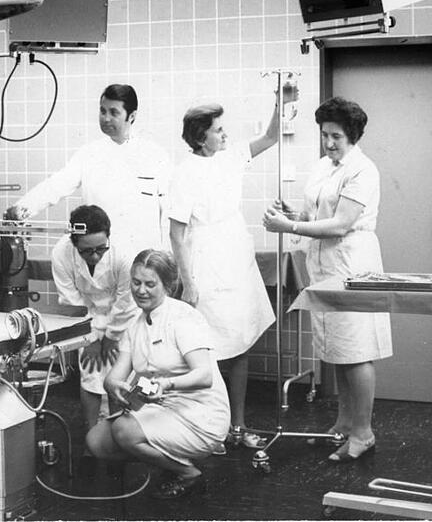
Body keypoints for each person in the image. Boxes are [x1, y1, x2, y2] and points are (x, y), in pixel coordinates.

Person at [262, 96, 392, 462]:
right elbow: (314, 211)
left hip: (352, 263)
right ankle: (344, 423)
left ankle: (363, 432)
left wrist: (289, 227)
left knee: (356, 349)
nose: (329, 143)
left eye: (336, 136)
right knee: (337, 349)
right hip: (324, 265)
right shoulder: (323, 166)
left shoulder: (363, 170)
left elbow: (341, 223)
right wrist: (292, 213)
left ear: (353, 136)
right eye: (325, 135)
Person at [169, 92, 289, 450]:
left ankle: (237, 426)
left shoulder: (230, 157)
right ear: (199, 136)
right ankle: (207, 427)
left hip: (236, 259)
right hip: (205, 263)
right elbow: (176, 233)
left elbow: (270, 137)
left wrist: (280, 102)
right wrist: (188, 283)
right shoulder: (185, 172)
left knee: (240, 343)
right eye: (218, 130)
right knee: (206, 350)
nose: (225, 135)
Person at [85, 249, 229, 499]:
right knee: (97, 441)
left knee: (124, 430)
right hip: (161, 408)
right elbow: (115, 375)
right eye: (136, 282)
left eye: (150, 284)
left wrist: (167, 384)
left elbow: (204, 376)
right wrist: (113, 386)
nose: (141, 291)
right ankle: (167, 462)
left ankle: (188, 473)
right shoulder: (135, 325)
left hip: (200, 412)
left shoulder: (184, 318)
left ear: (168, 286)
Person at [6, 84, 171, 256]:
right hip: (100, 254)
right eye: (102, 111)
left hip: (142, 258)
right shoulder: (89, 154)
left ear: (132, 116)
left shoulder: (154, 155)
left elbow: (168, 211)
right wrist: (23, 207)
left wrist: (167, 257)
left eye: (114, 112)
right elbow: (57, 185)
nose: (106, 118)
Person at [51, 204, 139, 431]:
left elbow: (126, 301)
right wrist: (90, 340)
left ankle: (117, 434)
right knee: (90, 372)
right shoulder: (61, 253)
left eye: (101, 248)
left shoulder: (124, 253)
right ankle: (92, 436)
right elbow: (72, 302)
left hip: (122, 318)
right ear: (74, 243)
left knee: (118, 376)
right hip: (86, 317)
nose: (95, 255)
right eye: (86, 251)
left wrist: (110, 337)